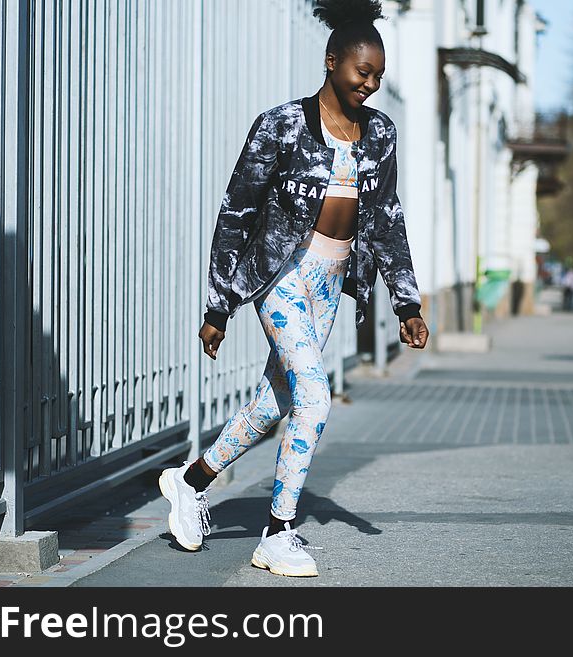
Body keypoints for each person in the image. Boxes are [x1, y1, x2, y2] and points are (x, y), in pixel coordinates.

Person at [159, 0, 429, 578]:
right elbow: (237, 214)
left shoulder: (380, 133)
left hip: (331, 281)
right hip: (279, 276)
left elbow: (386, 217)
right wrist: (219, 305)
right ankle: (279, 532)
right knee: (313, 395)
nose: (371, 84)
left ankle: (189, 483)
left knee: (273, 404)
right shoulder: (280, 124)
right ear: (332, 62)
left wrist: (406, 301)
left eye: (379, 76)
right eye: (363, 72)